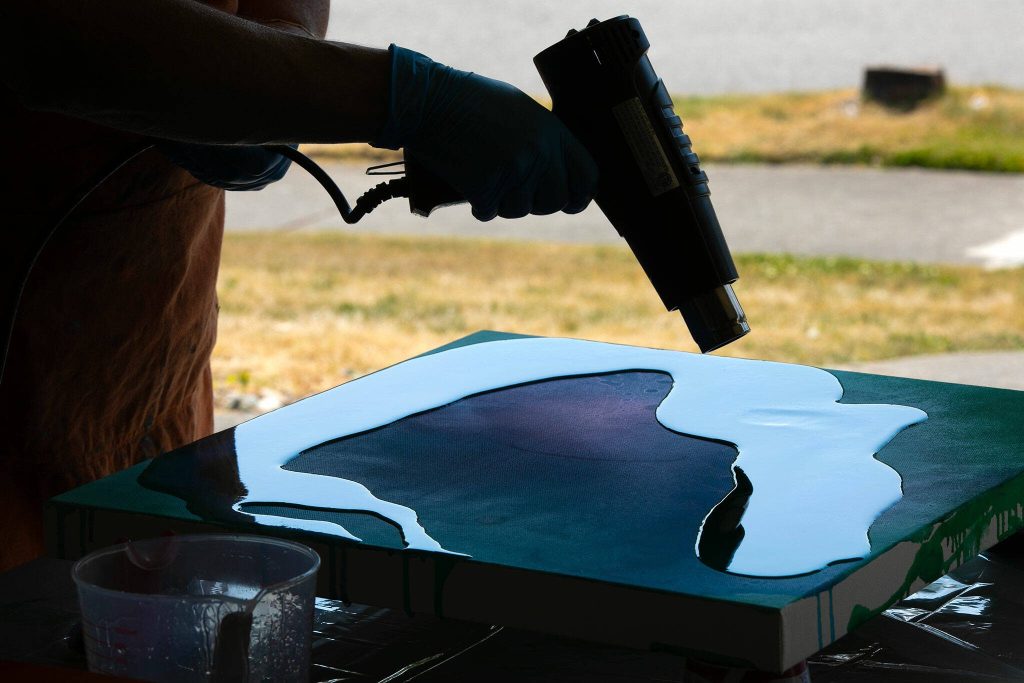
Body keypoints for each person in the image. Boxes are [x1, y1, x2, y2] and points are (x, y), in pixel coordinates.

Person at [0, 0, 598, 571]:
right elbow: (46, 33)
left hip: (147, 359)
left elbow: (283, 16)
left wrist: (274, 58)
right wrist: (411, 97)